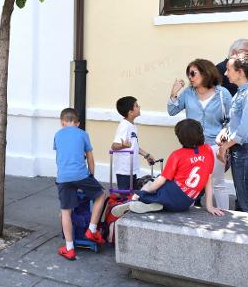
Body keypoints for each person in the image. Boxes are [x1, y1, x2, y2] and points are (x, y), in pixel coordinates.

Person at [112, 119, 225, 217]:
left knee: (152, 182)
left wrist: (140, 193)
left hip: (171, 193)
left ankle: (138, 200)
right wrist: (210, 206)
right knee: (164, 191)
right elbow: (208, 180)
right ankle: (158, 204)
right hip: (186, 203)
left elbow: (161, 180)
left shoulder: (177, 155)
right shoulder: (208, 150)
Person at [167, 59, 232, 209]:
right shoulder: (188, 93)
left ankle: (225, 215)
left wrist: (225, 139)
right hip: (192, 148)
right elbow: (172, 111)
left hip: (214, 146)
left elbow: (231, 120)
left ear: (205, 73)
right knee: (190, 181)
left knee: (218, 183)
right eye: (188, 74)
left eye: (193, 73)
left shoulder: (223, 94)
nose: (190, 77)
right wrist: (174, 93)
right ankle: (187, 211)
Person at [217, 53, 248, 214]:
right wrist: (224, 132)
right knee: (245, 198)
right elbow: (234, 123)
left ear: (240, 72)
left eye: (228, 69)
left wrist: (225, 147)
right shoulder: (241, 92)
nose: (225, 73)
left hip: (246, 152)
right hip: (241, 151)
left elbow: (243, 131)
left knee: (247, 204)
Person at [54, 108, 106, 261]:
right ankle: (92, 229)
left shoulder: (57, 135)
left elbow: (59, 158)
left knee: (65, 211)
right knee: (100, 194)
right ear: (77, 123)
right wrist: (92, 176)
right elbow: (90, 158)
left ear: (62, 122)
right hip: (81, 175)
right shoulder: (83, 134)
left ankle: (69, 248)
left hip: (63, 177)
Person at [111, 96, 156, 190]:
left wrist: (146, 155)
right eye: (136, 105)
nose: (139, 107)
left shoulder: (132, 126)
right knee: (125, 197)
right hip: (124, 170)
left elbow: (134, 146)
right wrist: (122, 145)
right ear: (130, 112)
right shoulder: (124, 126)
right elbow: (114, 146)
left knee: (131, 195)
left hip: (131, 169)